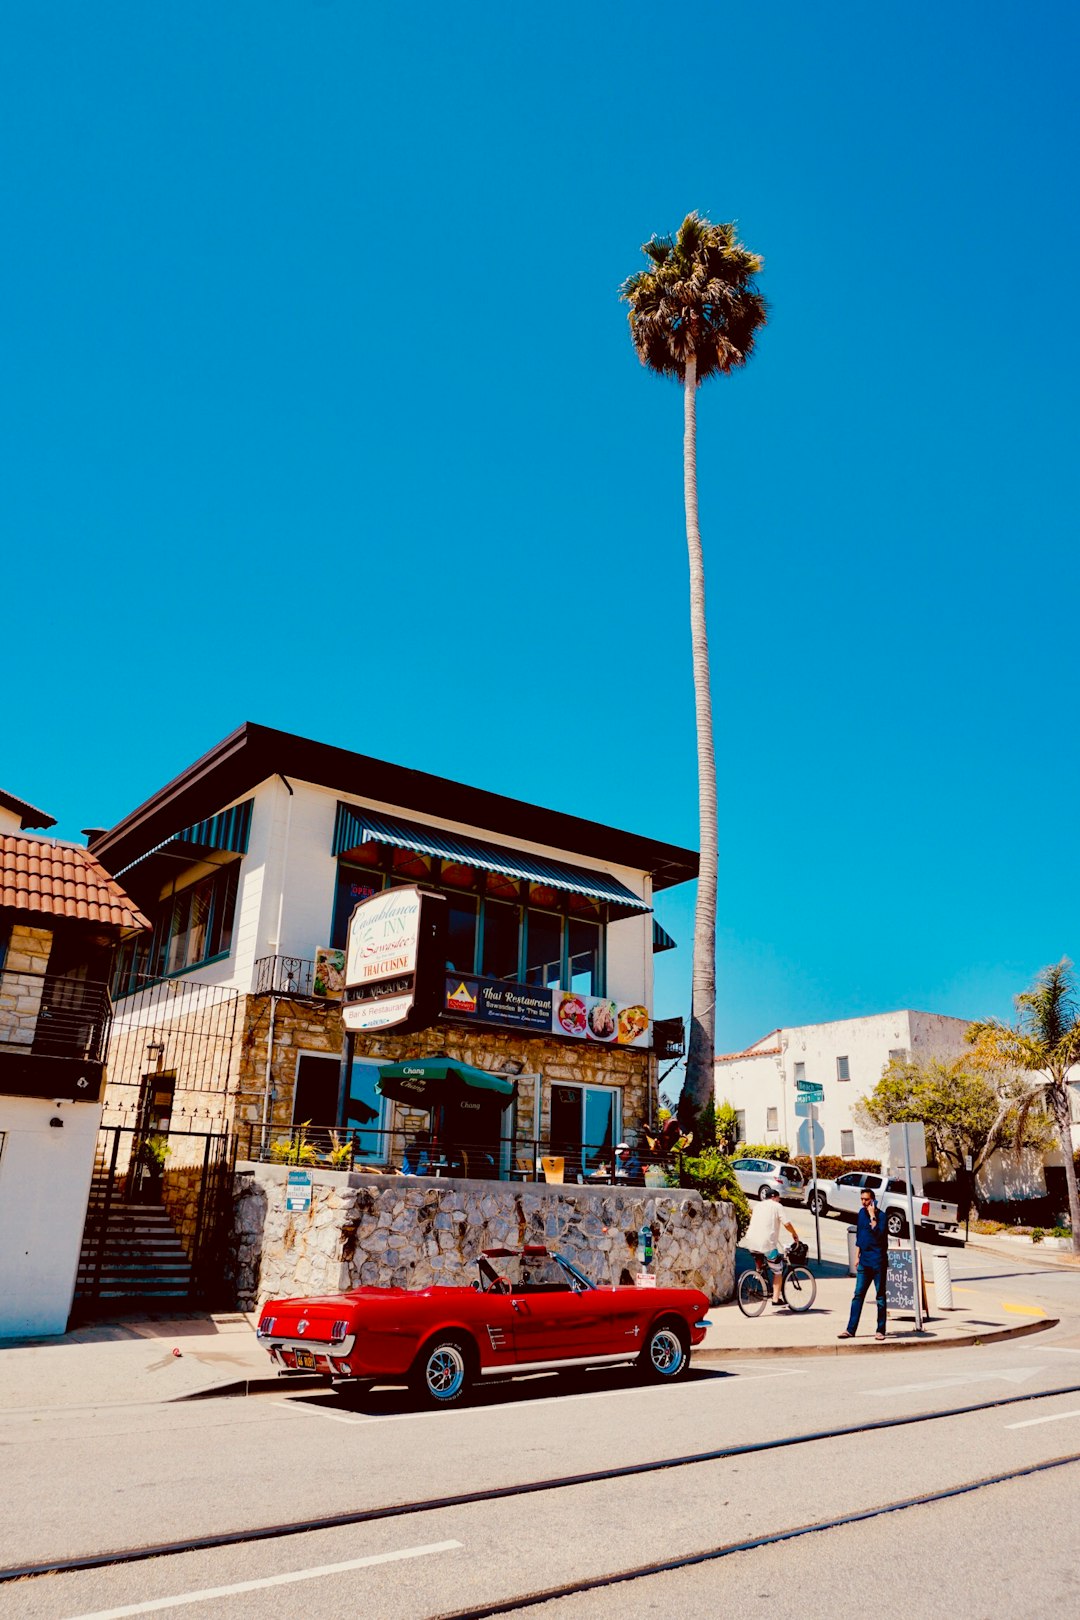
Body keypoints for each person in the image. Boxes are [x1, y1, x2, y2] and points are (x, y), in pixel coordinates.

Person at [839, 1187, 887, 1340]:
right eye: (862, 1199)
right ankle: (850, 1329)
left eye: (866, 1199)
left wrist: (873, 1216)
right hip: (864, 1262)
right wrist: (857, 1255)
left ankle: (880, 1330)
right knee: (858, 1295)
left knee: (880, 1296)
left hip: (878, 1261)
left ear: (873, 1199)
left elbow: (879, 1235)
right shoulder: (860, 1214)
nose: (864, 1202)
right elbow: (860, 1235)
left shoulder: (882, 1216)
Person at [743, 1185, 800, 1306]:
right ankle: (775, 1299)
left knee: (759, 1257)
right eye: (779, 1198)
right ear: (774, 1197)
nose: (779, 1201)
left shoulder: (757, 1206)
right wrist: (794, 1234)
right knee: (778, 1270)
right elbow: (787, 1223)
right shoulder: (777, 1206)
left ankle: (758, 1273)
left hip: (751, 1242)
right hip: (767, 1244)